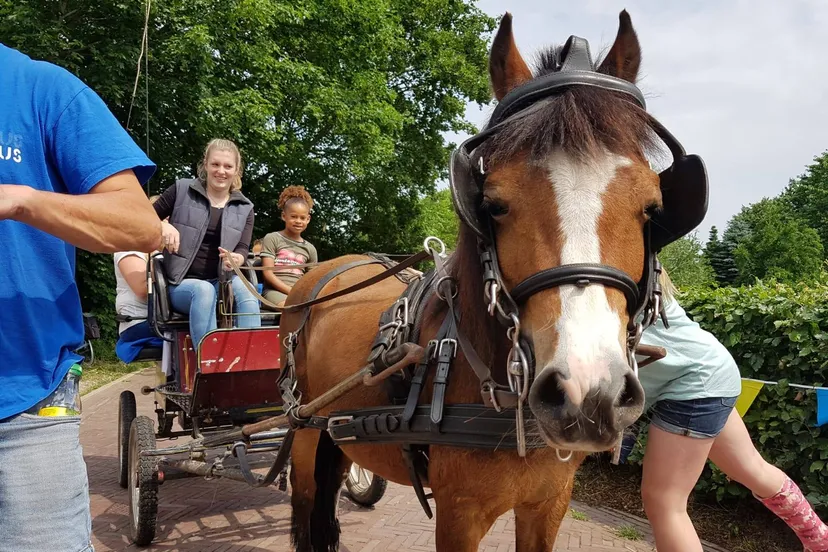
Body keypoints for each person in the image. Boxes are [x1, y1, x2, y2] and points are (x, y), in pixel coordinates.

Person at [0, 43, 161, 552]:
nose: (222, 172)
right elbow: (142, 267)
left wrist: (20, 199)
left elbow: (140, 224)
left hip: (24, 401)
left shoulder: (40, 87)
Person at [636, 269, 828, 552]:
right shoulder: (633, 266)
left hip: (692, 383)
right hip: (711, 372)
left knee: (664, 502)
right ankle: (821, 540)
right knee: (753, 468)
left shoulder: (603, 273)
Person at [153, 139, 261, 346]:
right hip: (181, 284)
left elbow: (242, 249)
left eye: (228, 166)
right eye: (215, 164)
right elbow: (142, 217)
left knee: (248, 292)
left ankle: (250, 361)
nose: (221, 171)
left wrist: (238, 259)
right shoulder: (181, 189)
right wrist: (162, 225)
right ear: (205, 165)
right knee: (204, 290)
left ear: (237, 170)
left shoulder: (245, 207)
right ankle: (208, 364)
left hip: (224, 281)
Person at [114, 195, 164, 363]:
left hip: (160, 319)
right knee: (192, 330)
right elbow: (142, 289)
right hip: (139, 322)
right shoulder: (129, 246)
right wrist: (157, 256)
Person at [260, 185, 318, 309]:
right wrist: (291, 292)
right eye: (293, 216)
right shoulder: (272, 238)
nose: (298, 221)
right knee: (292, 309)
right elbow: (268, 274)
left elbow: (311, 280)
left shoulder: (310, 249)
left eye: (302, 218)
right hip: (273, 293)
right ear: (283, 216)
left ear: (308, 219)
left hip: (299, 296)